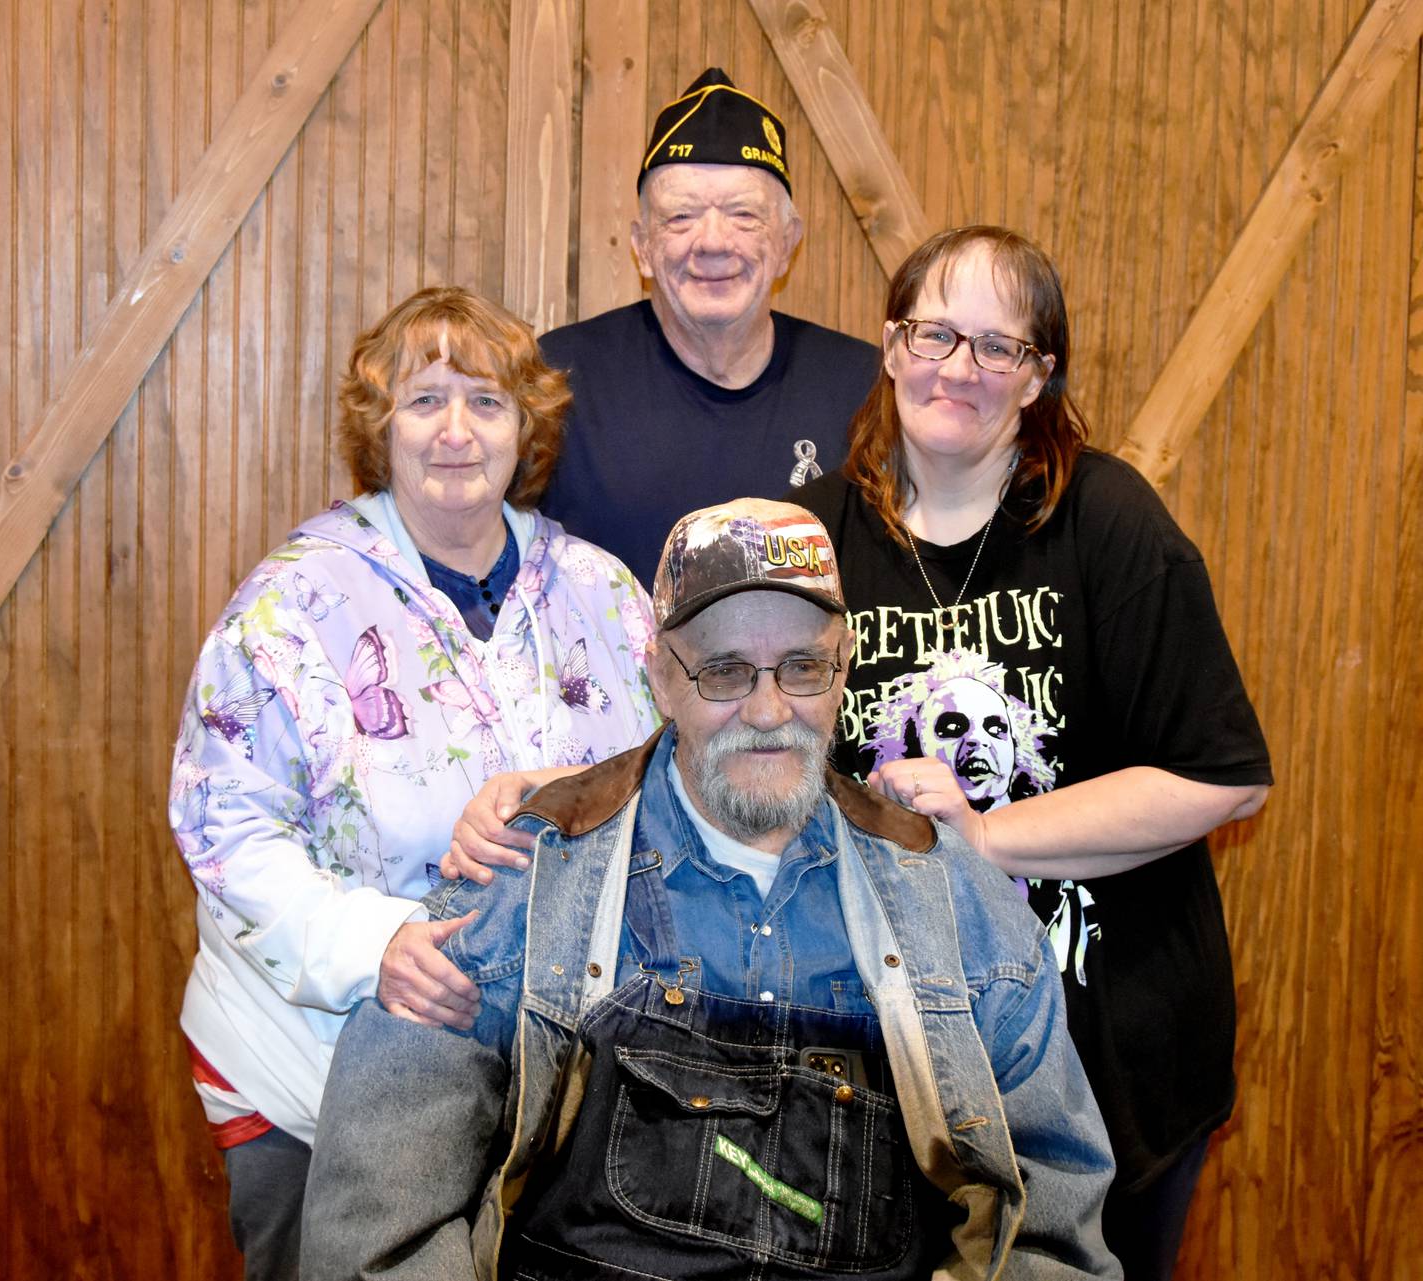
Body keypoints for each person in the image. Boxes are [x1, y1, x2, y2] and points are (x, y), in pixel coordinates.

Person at [300, 498, 1121, 1281]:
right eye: (724, 672)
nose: (769, 710)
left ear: (843, 669)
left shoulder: (955, 905)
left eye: (801, 667)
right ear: (660, 678)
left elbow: (1054, 1223)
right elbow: (379, 1223)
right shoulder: (523, 880)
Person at [792, 226, 1274, 1280]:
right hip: (884, 1072)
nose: (957, 369)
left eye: (997, 347)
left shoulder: (1107, 520)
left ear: (1038, 377)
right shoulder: (810, 537)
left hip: (1110, 1066)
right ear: (888, 346)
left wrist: (986, 835)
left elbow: (1223, 774)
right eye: (933, 334)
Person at [167, 285, 659, 1280]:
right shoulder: (294, 600)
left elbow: (670, 790)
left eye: (486, 402)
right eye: (424, 401)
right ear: (378, 428)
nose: (455, 431)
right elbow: (225, 825)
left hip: (543, 1098)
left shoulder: (605, 594)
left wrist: (562, 791)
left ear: (527, 428)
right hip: (313, 1070)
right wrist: (376, 945)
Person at [537, 67, 879, 583]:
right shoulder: (555, 381)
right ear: (642, 247)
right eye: (681, 217)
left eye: (744, 215)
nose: (714, 242)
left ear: (788, 243)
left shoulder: (866, 387)